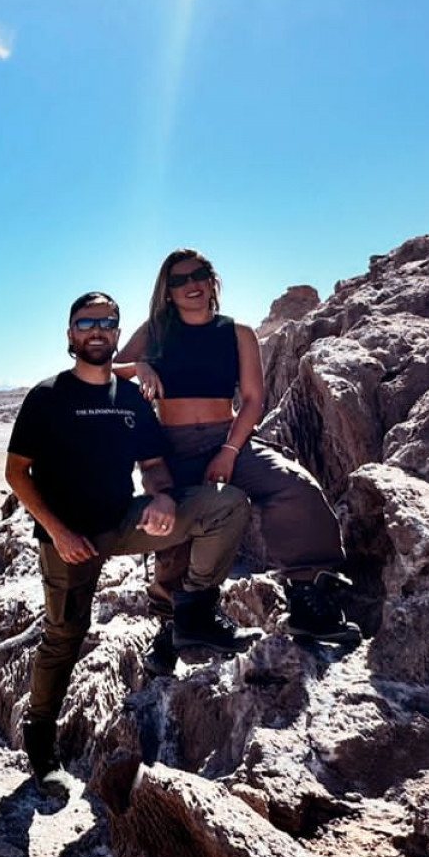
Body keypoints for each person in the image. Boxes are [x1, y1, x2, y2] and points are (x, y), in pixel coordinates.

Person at [5, 291, 257, 796]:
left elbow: (153, 463)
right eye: (86, 322)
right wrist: (57, 530)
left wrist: (161, 497)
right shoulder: (48, 396)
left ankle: (193, 612)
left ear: (117, 335)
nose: (96, 330)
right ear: (70, 335)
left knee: (224, 505)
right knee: (64, 638)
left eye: (107, 322)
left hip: (121, 523)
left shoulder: (132, 402)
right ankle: (41, 741)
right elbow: (16, 473)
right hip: (68, 538)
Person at [116, 248, 359, 644]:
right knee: (175, 525)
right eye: (178, 280)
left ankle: (308, 602)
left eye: (198, 275)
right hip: (170, 448)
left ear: (212, 281)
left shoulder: (238, 333)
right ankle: (175, 626)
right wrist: (139, 366)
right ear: (167, 291)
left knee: (293, 487)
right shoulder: (154, 331)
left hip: (227, 440)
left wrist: (229, 451)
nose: (190, 285)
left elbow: (252, 400)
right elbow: (109, 370)